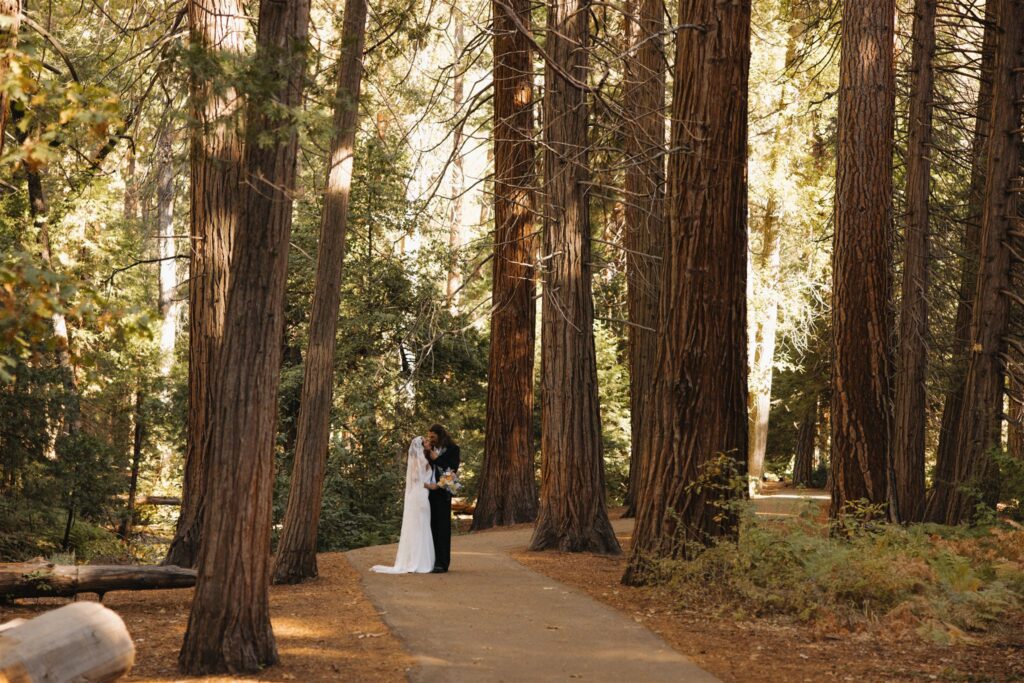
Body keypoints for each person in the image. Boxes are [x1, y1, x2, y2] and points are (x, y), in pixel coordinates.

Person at [370, 435, 435, 573]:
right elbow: (416, 478)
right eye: (426, 442)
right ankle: (419, 561)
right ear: (422, 447)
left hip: (418, 494)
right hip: (420, 494)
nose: (429, 443)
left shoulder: (420, 459)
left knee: (419, 526)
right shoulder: (421, 460)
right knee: (420, 526)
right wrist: (430, 486)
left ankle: (416, 559)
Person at [422, 424, 460, 573]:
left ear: (440, 435)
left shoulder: (453, 449)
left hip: (443, 492)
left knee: (442, 528)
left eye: (433, 436)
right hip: (427, 494)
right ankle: (430, 560)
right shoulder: (429, 449)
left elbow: (452, 471)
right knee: (430, 527)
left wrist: (437, 486)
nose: (431, 439)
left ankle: (442, 563)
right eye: (429, 436)